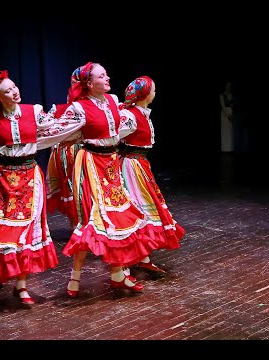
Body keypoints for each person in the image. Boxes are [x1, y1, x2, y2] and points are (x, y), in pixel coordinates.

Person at [0, 70, 74, 306]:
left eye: (14, 87)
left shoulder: (35, 111)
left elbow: (57, 128)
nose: (14, 92)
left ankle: (21, 285)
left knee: (25, 232)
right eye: (7, 90)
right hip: (2, 178)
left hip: (29, 177)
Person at [55, 62, 164, 298]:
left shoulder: (113, 101)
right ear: (88, 83)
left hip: (111, 164)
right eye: (101, 76)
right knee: (92, 220)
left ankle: (117, 275)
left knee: (118, 217)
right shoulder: (79, 108)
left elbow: (118, 130)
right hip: (91, 164)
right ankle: (75, 278)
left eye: (106, 74)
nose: (107, 77)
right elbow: (58, 132)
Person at [118, 75, 185, 276]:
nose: (155, 93)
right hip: (131, 166)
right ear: (146, 94)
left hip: (141, 165)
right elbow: (111, 136)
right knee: (137, 210)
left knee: (145, 210)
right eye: (153, 90)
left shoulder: (142, 113)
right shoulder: (130, 116)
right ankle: (126, 262)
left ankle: (143, 257)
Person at [45, 103, 81, 231]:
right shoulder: (58, 109)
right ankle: (75, 224)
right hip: (66, 152)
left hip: (86, 151)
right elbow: (47, 130)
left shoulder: (92, 107)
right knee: (69, 187)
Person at [220, 81, 234, 152]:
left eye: (230, 86)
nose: (228, 87)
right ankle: (225, 149)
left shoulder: (232, 95)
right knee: (225, 132)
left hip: (231, 113)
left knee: (230, 131)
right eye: (227, 85)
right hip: (225, 115)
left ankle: (230, 148)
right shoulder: (222, 95)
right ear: (225, 86)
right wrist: (228, 115)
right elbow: (223, 106)